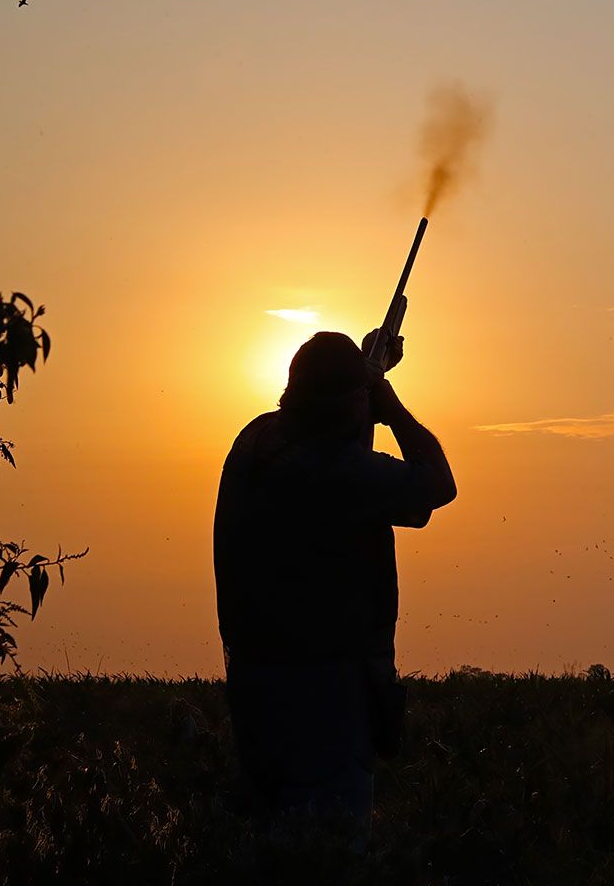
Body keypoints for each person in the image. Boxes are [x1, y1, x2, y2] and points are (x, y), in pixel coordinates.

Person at [213, 326, 456, 849]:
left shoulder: (254, 440)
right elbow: (437, 484)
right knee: (331, 850)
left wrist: (365, 380)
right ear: (354, 403)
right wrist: (388, 406)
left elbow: (326, 432)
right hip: (329, 693)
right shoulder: (339, 472)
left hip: (255, 682)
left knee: (269, 845)